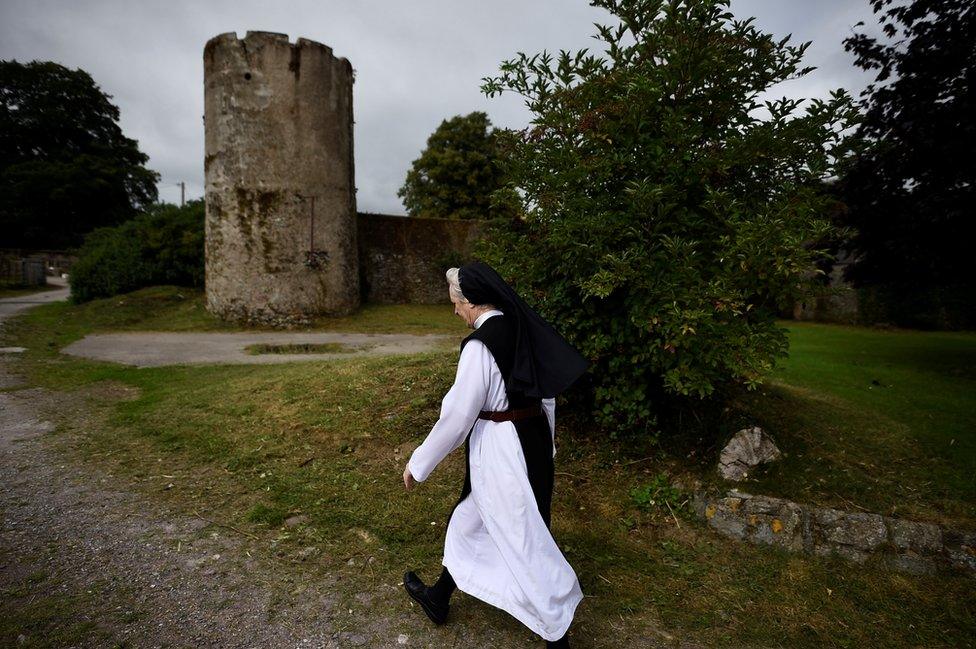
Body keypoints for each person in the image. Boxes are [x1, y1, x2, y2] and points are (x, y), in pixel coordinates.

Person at [401, 261, 589, 648]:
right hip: (531, 439)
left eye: (455, 302)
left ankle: (559, 639)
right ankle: (439, 597)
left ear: (470, 302)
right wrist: (546, 445)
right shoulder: (522, 326)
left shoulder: (480, 347)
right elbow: (548, 395)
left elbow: (456, 417)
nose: (454, 310)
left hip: (503, 450)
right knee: (470, 520)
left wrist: (418, 464)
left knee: (524, 540)